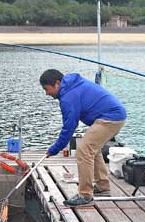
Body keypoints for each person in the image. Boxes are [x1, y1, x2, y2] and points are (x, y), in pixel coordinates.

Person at [40, 69, 127, 207]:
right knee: (93, 149)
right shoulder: (72, 86)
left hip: (110, 118)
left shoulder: (68, 97)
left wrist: (54, 149)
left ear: (57, 83)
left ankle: (85, 195)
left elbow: (69, 127)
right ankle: (103, 187)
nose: (47, 93)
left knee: (84, 150)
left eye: (47, 89)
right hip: (113, 116)